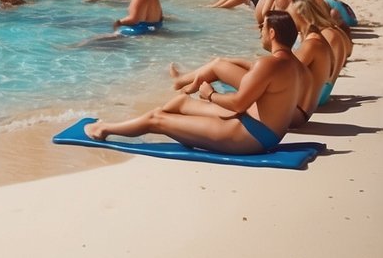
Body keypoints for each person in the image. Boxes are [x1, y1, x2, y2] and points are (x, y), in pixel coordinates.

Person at [88, 11, 306, 154]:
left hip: (251, 137)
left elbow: (238, 104)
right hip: (263, 128)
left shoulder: (268, 64)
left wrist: (209, 94)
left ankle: (104, 130)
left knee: (157, 119)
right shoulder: (294, 64)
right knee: (180, 103)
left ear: (272, 32)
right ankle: (182, 130)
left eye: (262, 28)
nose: (260, 33)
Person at [286, 0, 336, 119]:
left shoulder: (311, 44)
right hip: (301, 108)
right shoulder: (314, 38)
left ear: (301, 16)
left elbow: (285, 73)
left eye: (289, 15)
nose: (286, 20)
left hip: (297, 112)